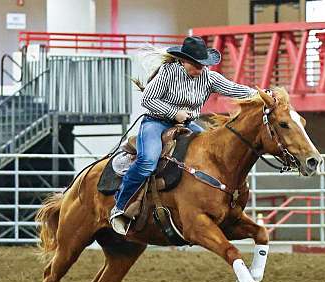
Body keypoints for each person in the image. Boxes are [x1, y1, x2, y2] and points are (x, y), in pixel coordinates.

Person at [110, 36, 257, 235]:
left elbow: (233, 89)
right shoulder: (168, 73)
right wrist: (173, 113)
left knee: (210, 154)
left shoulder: (209, 77)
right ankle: (120, 206)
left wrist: (262, 94)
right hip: (156, 123)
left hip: (187, 125)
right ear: (183, 61)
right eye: (196, 64)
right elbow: (147, 99)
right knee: (147, 160)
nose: (200, 69)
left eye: (203, 65)